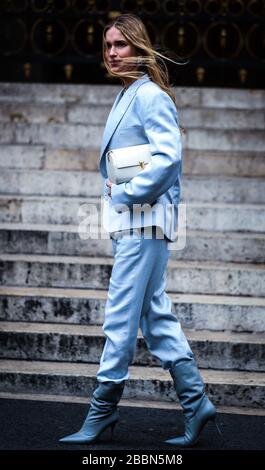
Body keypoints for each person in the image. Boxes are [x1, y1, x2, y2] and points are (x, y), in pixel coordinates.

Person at [59, 13, 219, 448]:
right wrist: (122, 185)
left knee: (120, 317)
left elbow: (168, 158)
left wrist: (124, 191)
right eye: (108, 45)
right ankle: (196, 402)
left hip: (144, 222)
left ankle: (102, 410)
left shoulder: (149, 96)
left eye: (121, 45)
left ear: (139, 47)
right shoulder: (130, 93)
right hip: (136, 221)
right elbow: (144, 157)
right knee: (154, 314)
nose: (112, 53)